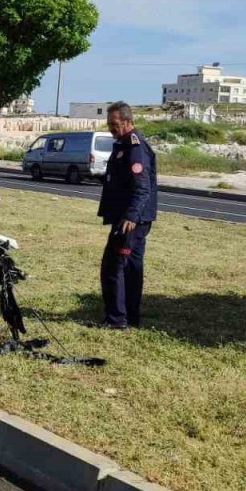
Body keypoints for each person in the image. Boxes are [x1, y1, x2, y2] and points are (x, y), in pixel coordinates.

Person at [97, 101, 158, 329]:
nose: (111, 129)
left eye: (114, 124)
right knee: (132, 268)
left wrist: (131, 216)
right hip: (131, 218)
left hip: (130, 221)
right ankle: (131, 316)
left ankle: (116, 319)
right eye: (109, 124)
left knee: (113, 268)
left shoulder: (135, 147)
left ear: (127, 121)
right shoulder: (124, 144)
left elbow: (142, 188)